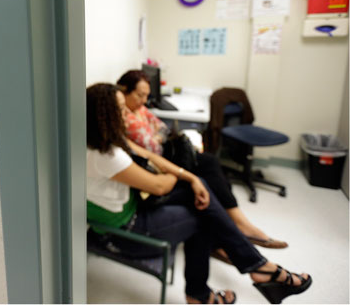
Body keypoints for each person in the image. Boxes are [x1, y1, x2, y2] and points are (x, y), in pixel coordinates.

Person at [86, 83, 311, 304]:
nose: (127, 113)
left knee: (201, 185)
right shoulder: (105, 155)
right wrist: (184, 169)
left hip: (132, 204)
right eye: (119, 109)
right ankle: (213, 288)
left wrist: (190, 177)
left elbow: (149, 155)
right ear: (102, 115)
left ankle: (253, 267)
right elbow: (158, 186)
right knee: (203, 218)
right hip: (121, 233)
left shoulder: (106, 138)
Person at [117, 70, 287, 250]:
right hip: (157, 165)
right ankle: (237, 228)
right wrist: (156, 136)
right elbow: (151, 146)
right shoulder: (125, 117)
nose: (144, 101)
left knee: (213, 167)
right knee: (208, 176)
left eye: (146, 96)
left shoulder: (139, 109)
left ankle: (235, 227)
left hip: (164, 155)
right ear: (124, 91)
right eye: (139, 95)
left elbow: (162, 128)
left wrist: (155, 135)